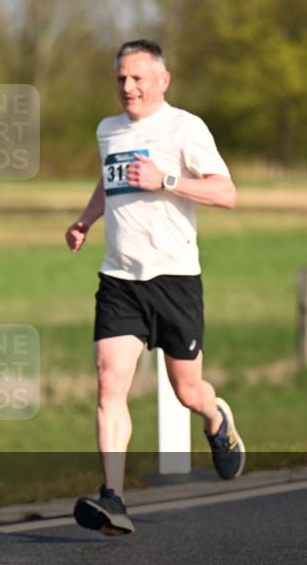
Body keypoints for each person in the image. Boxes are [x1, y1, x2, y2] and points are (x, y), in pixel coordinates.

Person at [65, 39, 244, 536]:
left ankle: (216, 417)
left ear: (162, 80)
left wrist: (165, 179)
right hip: (120, 278)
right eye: (121, 78)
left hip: (175, 279)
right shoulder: (108, 130)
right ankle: (113, 497)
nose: (128, 87)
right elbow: (110, 180)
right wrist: (85, 220)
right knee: (108, 383)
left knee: (187, 391)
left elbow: (226, 192)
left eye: (138, 78)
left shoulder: (186, 128)